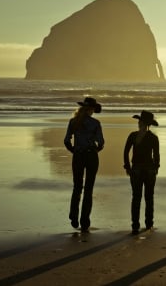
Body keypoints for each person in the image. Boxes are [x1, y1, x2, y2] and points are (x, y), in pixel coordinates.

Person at [64, 97, 104, 232]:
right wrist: (95, 150)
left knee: (77, 187)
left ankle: (73, 216)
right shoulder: (95, 123)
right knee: (88, 189)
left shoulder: (73, 122)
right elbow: (101, 142)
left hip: (78, 156)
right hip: (91, 156)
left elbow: (67, 141)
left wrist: (74, 151)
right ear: (91, 109)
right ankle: (85, 220)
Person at [124, 110, 160, 235]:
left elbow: (125, 152)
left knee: (136, 198)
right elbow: (156, 155)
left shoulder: (133, 135)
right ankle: (149, 223)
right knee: (149, 198)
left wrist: (127, 167)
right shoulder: (153, 137)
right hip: (150, 169)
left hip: (136, 169)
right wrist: (156, 168)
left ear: (141, 122)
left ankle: (135, 225)